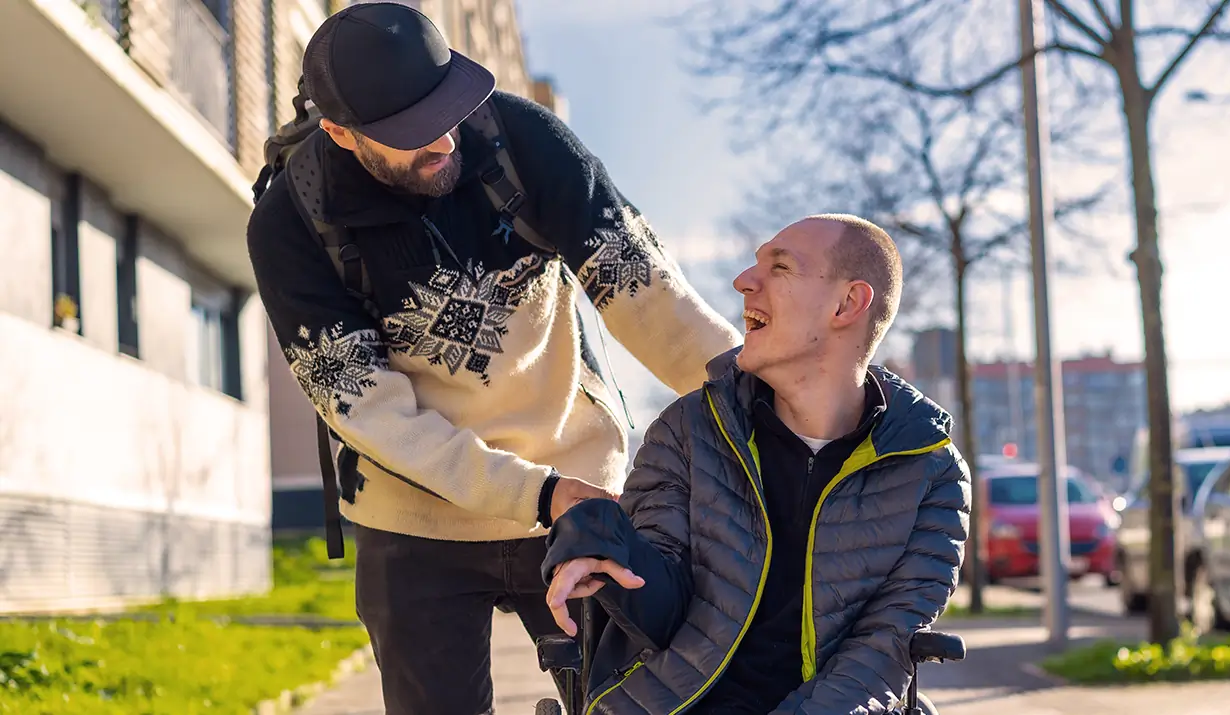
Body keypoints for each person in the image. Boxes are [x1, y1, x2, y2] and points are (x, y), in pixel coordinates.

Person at [244, 3, 741, 713]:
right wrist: (535, 492)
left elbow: (651, 297)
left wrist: (765, 400)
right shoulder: (291, 224)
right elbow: (375, 416)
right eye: (412, 134)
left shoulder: (519, 137)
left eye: (446, 110)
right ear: (339, 134)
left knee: (641, 702)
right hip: (417, 515)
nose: (443, 139)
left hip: (578, 488)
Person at [542, 214, 971, 714]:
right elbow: (663, 608)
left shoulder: (931, 472)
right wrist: (603, 539)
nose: (744, 282)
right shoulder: (689, 429)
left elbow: (884, 646)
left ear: (847, 303)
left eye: (781, 267)